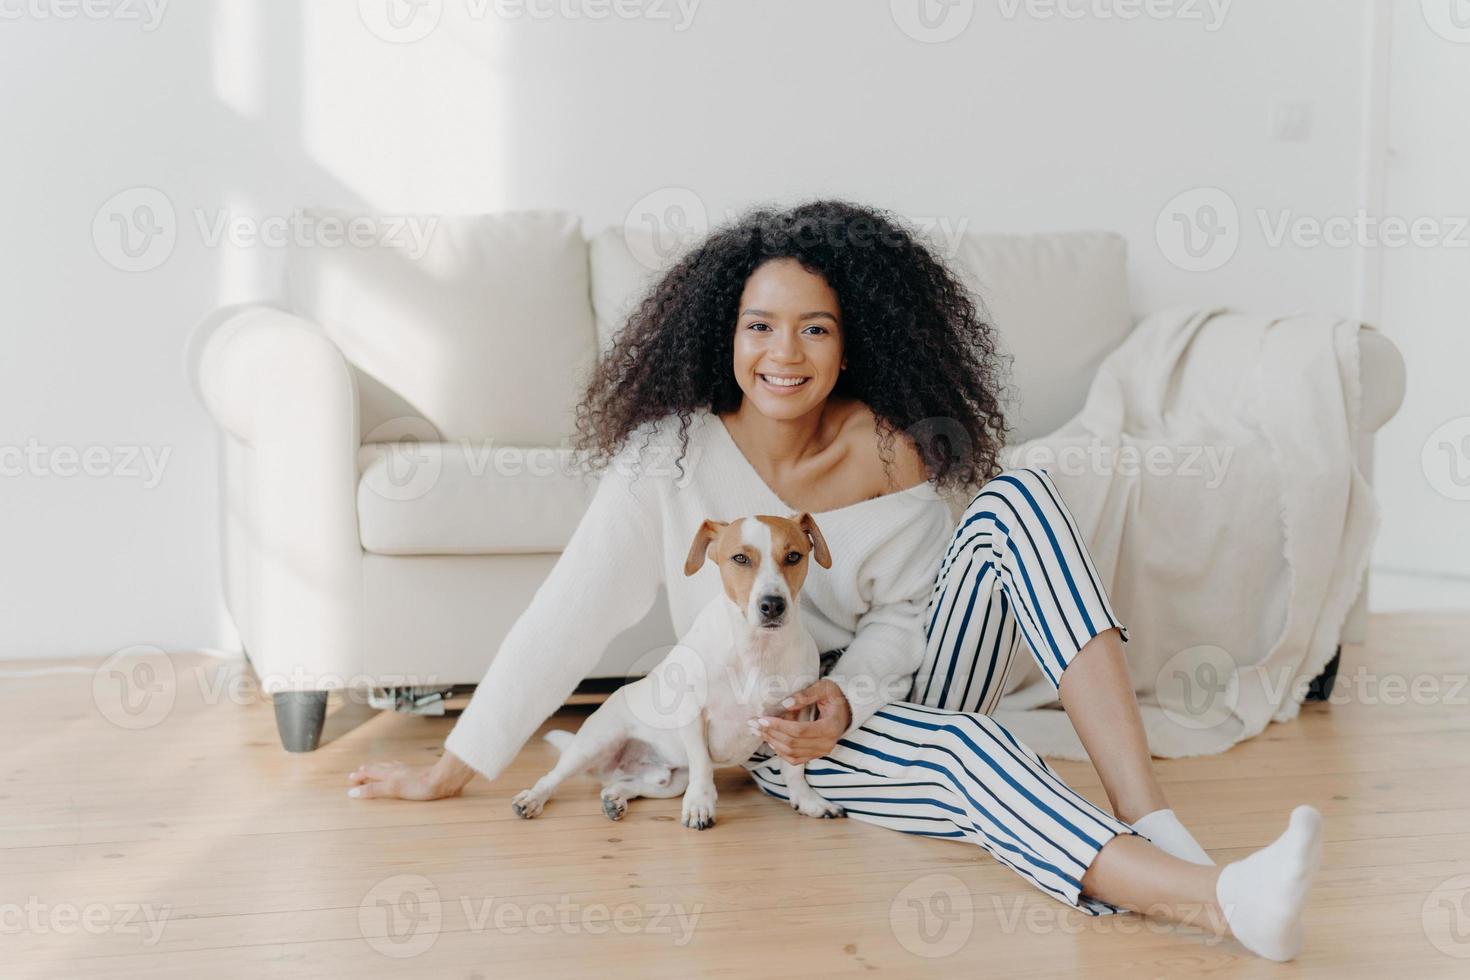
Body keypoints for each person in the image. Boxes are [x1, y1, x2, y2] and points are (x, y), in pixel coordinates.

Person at [349, 201, 1321, 961]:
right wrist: (460, 760)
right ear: (720, 334)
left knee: (1019, 499)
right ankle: (1218, 899)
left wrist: (852, 693)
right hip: (782, 726)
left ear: (852, 339)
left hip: (887, 683)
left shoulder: (894, 446)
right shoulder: (670, 453)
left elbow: (909, 613)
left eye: (814, 329)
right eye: (759, 325)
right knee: (966, 748)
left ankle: (1152, 819)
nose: (784, 354)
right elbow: (572, 608)